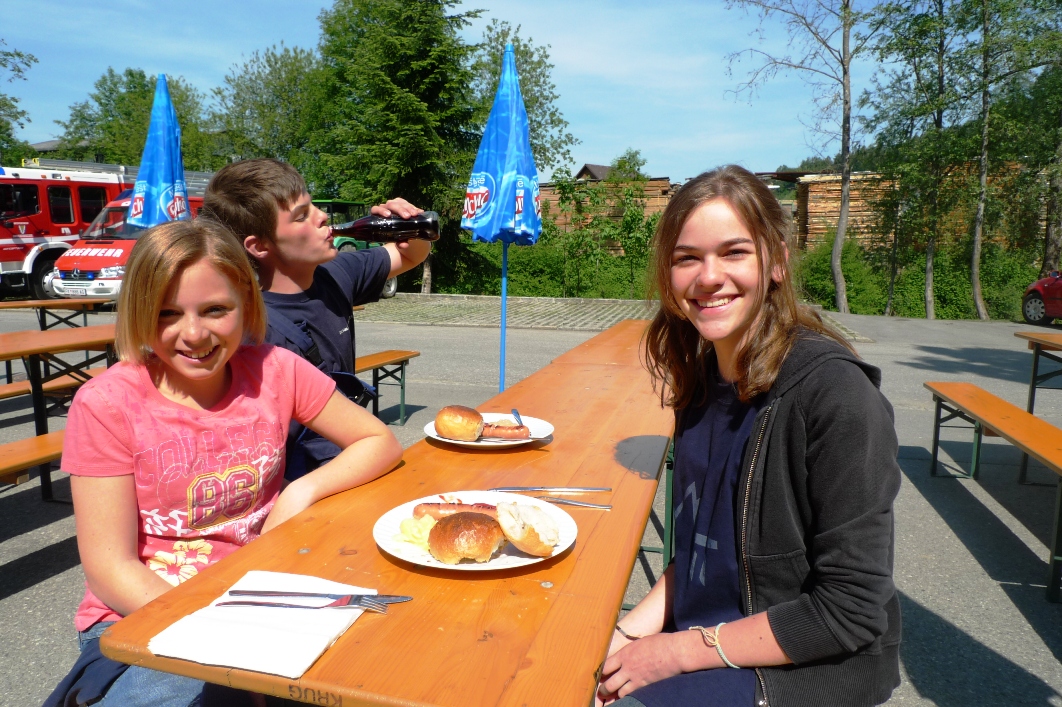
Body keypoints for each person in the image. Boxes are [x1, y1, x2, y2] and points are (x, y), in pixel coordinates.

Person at [47, 220, 403, 707]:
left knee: (378, 663)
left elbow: (378, 440)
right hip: (143, 608)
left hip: (264, 593)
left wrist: (300, 491)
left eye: (216, 309)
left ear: (247, 304)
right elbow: (111, 568)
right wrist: (220, 633)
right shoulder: (107, 404)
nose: (194, 334)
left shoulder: (275, 370)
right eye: (167, 313)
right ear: (138, 312)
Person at [597, 165, 901, 707]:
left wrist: (675, 652)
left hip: (798, 669)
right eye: (687, 258)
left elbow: (850, 609)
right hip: (707, 641)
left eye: (734, 252)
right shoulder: (701, 382)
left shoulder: (835, 395)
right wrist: (623, 637)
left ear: (776, 261)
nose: (708, 277)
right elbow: (702, 556)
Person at [200, 158, 430, 479]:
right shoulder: (252, 330)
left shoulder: (336, 273)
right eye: (301, 216)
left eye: (313, 206)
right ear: (259, 246)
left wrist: (412, 225)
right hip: (294, 481)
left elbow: (409, 255)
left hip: (347, 458)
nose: (322, 216)